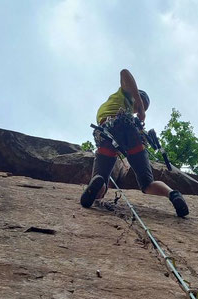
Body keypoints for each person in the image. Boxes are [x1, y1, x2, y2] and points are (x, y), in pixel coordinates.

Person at [80, 69, 189, 217]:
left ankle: (99, 182)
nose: (137, 110)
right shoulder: (125, 94)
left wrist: (139, 108)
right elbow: (124, 72)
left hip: (108, 135)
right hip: (131, 136)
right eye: (138, 107)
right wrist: (140, 105)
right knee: (147, 184)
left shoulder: (121, 105)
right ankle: (173, 194)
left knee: (101, 180)